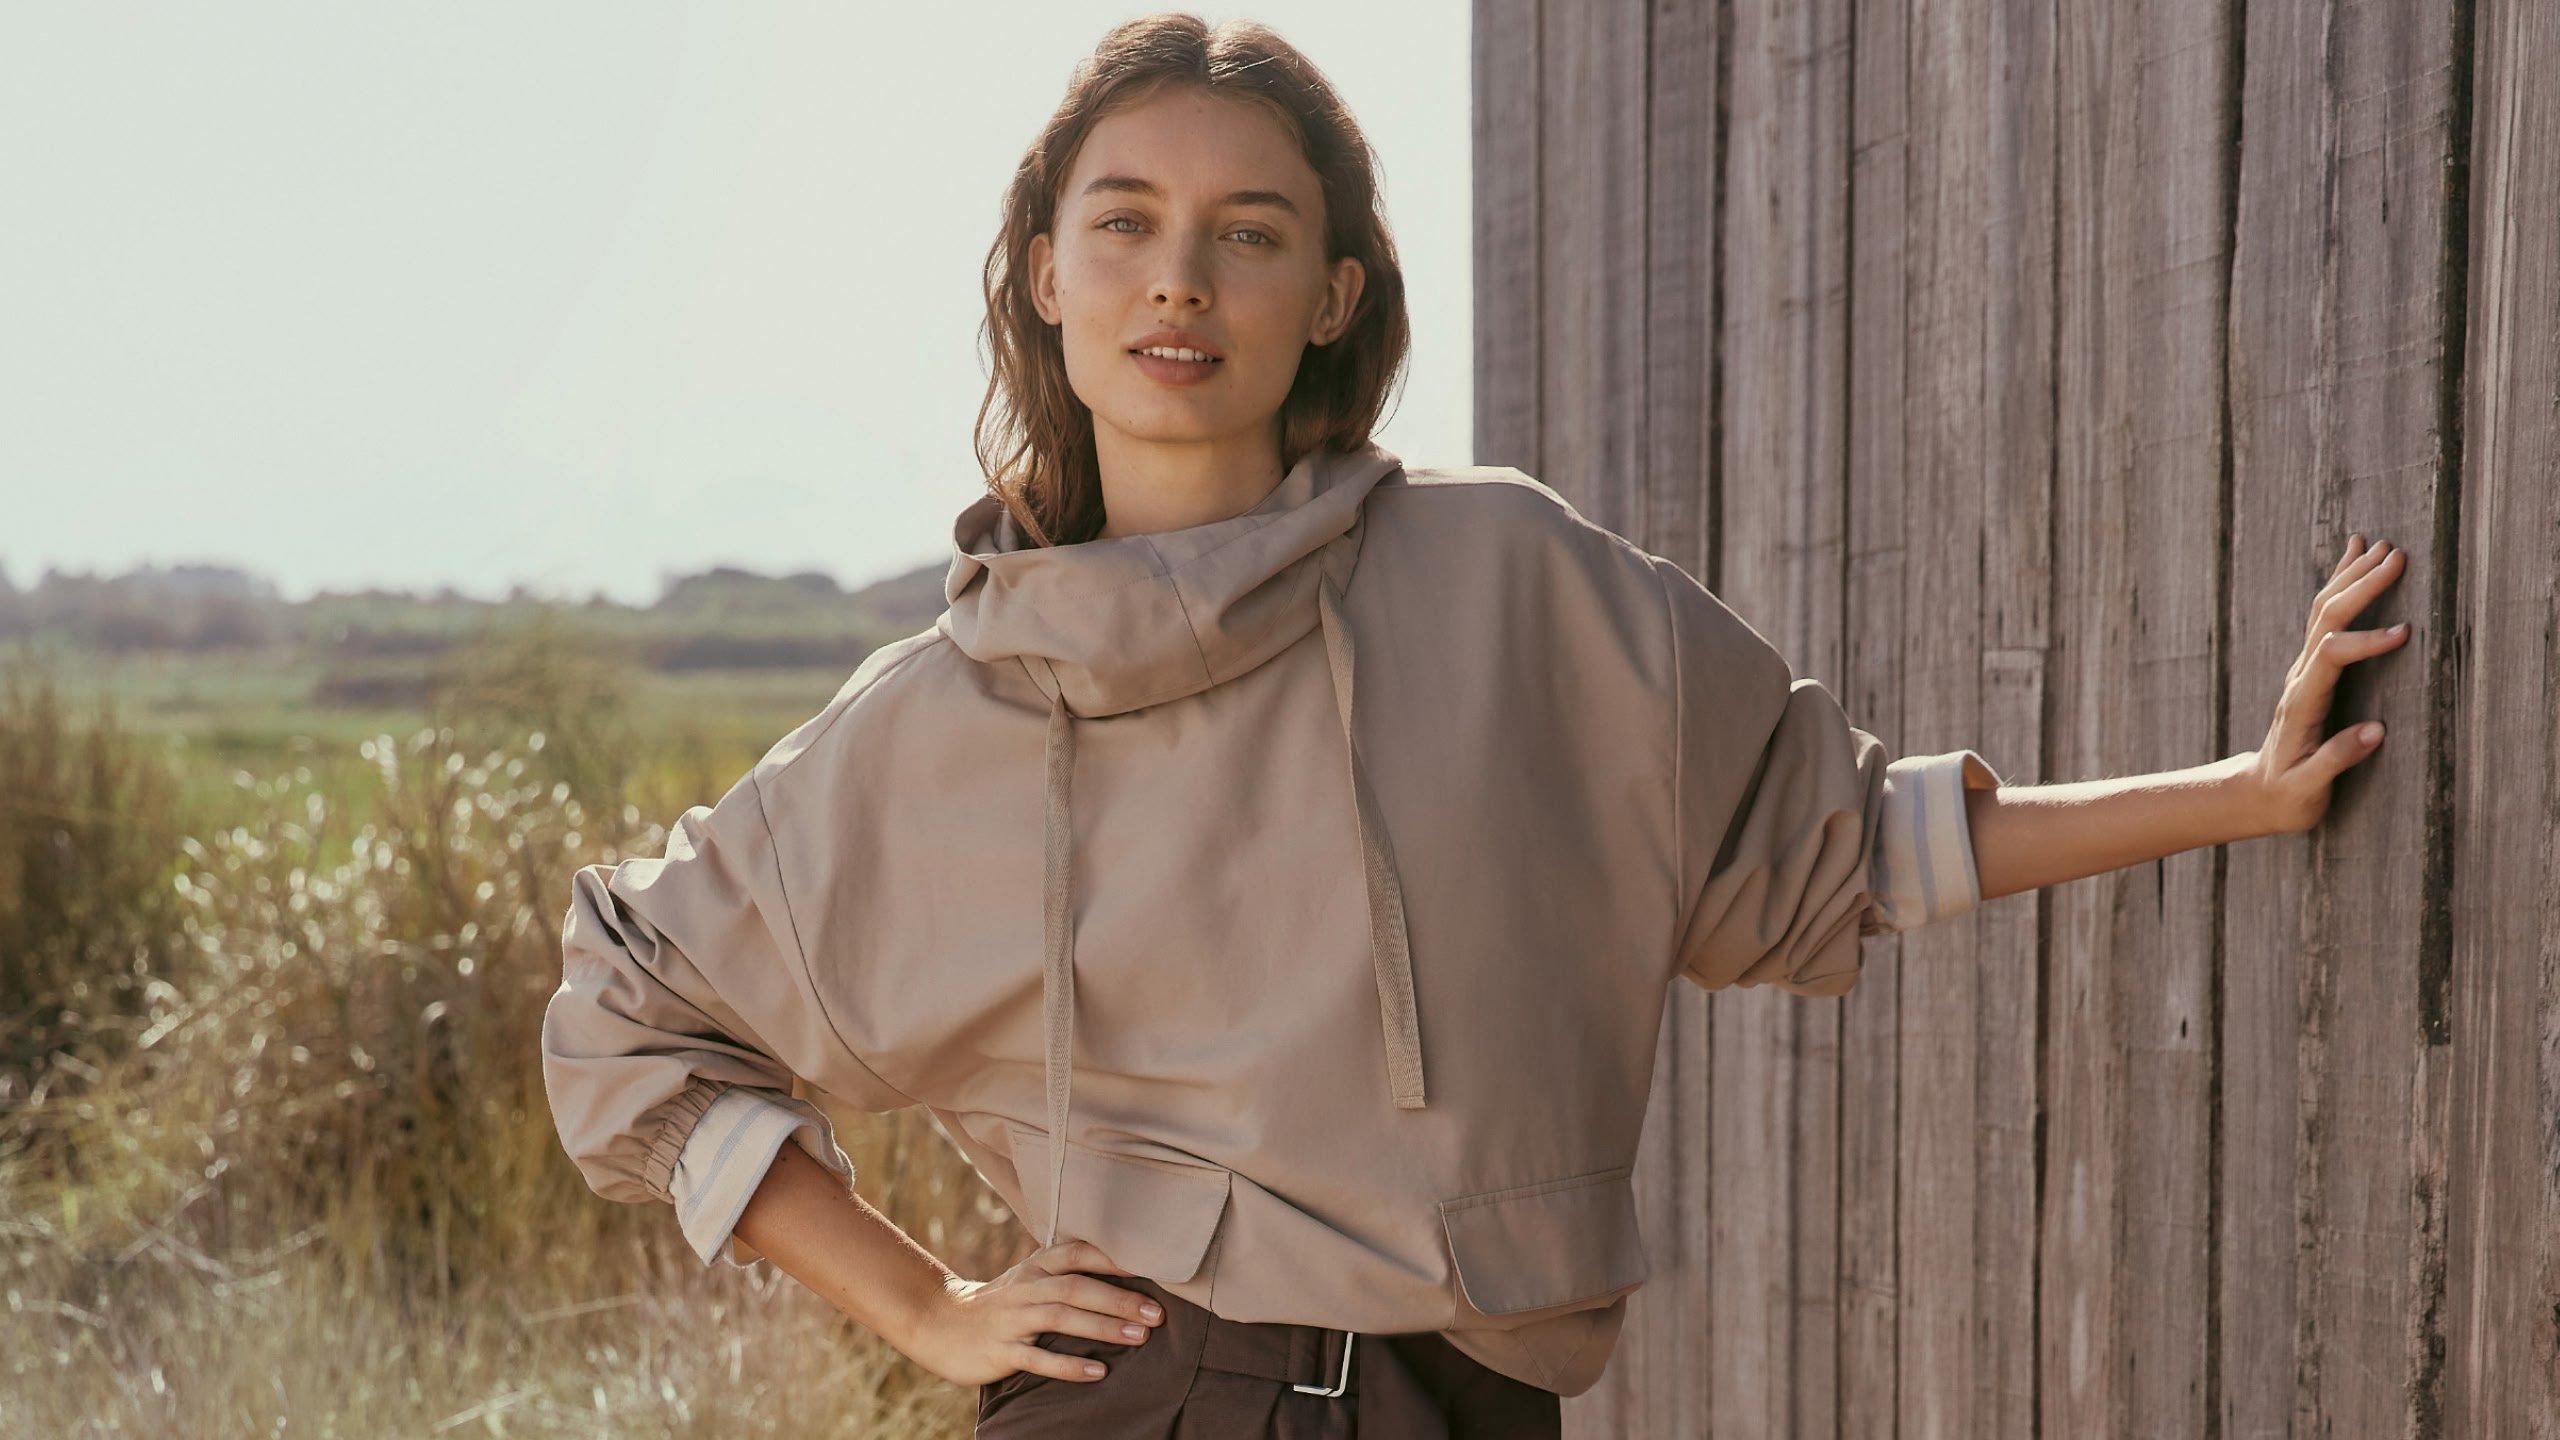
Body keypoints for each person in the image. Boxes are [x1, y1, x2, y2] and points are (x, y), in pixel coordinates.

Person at [538, 13, 2410, 1437]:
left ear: (1334, 294)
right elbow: (626, 1024)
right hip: (1154, 1400)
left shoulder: (1513, 584)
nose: (1179, 275)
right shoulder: (939, 717)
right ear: (1048, 273)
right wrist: (933, 1302)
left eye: (1247, 231)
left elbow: (1829, 847)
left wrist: (2239, 797)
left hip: (1481, 1402)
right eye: (1125, 222)